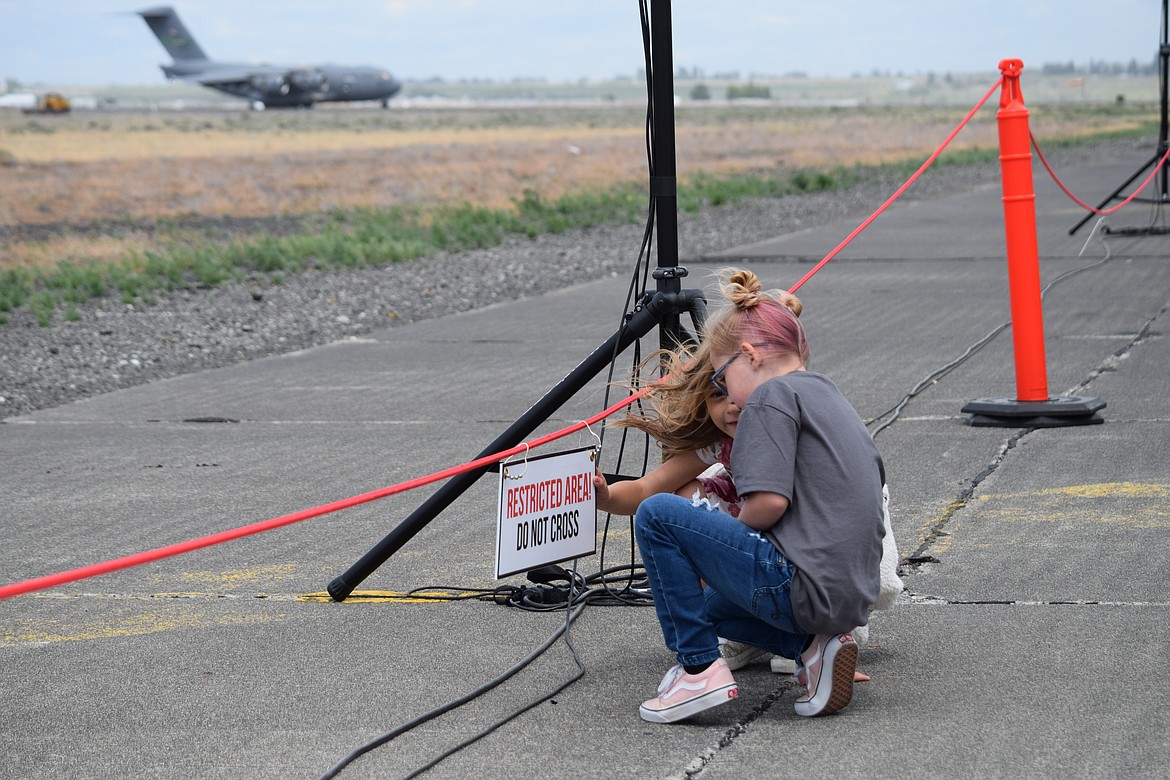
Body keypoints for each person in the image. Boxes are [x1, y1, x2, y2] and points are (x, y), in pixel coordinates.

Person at [631, 268, 886, 724]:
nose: (728, 393)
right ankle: (813, 648)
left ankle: (697, 673)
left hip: (803, 589)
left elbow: (768, 504)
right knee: (704, 610)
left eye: (723, 377)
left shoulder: (768, 399)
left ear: (747, 355)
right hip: (848, 598)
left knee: (657, 514)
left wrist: (717, 548)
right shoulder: (829, 395)